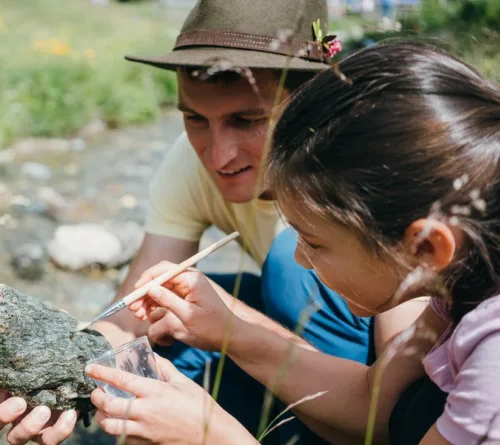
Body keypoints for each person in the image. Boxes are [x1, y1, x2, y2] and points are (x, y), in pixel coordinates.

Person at [0, 1, 427, 444]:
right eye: (195, 119)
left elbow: (397, 410)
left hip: (389, 401)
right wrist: (60, 369)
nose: (217, 155)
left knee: (287, 272)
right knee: (167, 305)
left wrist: (233, 327)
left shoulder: (374, 174)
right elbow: (129, 317)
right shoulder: (191, 164)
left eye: (247, 120)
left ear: (311, 102)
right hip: (306, 343)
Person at [87, 40, 500, 444]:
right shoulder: (457, 289)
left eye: (315, 243)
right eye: (196, 119)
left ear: (426, 248)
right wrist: (228, 329)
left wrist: (213, 433)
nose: (302, 256)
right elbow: (372, 406)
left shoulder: (493, 368)